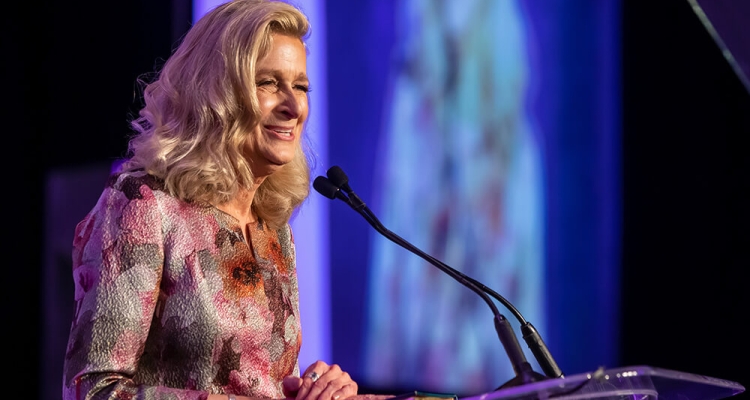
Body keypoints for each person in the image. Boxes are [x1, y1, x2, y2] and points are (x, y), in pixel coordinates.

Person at [62, 1, 364, 399]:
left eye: (301, 86)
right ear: (217, 91)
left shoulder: (273, 228)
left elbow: (259, 384)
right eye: (269, 83)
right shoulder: (144, 205)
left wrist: (315, 389)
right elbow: (92, 390)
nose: (294, 106)